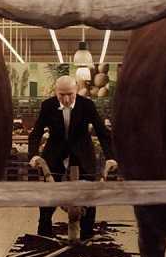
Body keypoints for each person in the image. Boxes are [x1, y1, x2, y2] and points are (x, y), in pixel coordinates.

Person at [28, 75, 115, 239]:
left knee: (88, 191)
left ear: (76, 91)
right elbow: (36, 133)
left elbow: (103, 133)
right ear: (56, 92)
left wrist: (110, 157)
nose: (66, 99)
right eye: (62, 94)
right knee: (48, 191)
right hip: (55, 149)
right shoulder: (48, 105)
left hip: (82, 149)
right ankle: (44, 229)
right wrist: (33, 155)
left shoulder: (87, 105)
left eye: (70, 94)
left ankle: (87, 232)